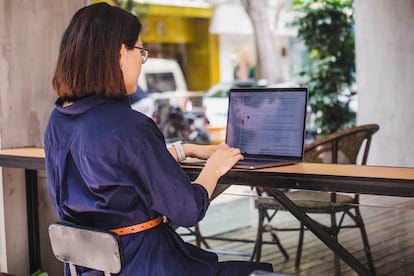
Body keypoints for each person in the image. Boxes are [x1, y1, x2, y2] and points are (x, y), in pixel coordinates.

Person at [45, 3, 273, 275]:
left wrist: (183, 150)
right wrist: (215, 166)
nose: (142, 64)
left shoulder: (58, 121)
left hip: (90, 269)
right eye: (141, 52)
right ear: (120, 53)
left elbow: (112, 169)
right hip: (146, 263)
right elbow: (187, 210)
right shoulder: (129, 126)